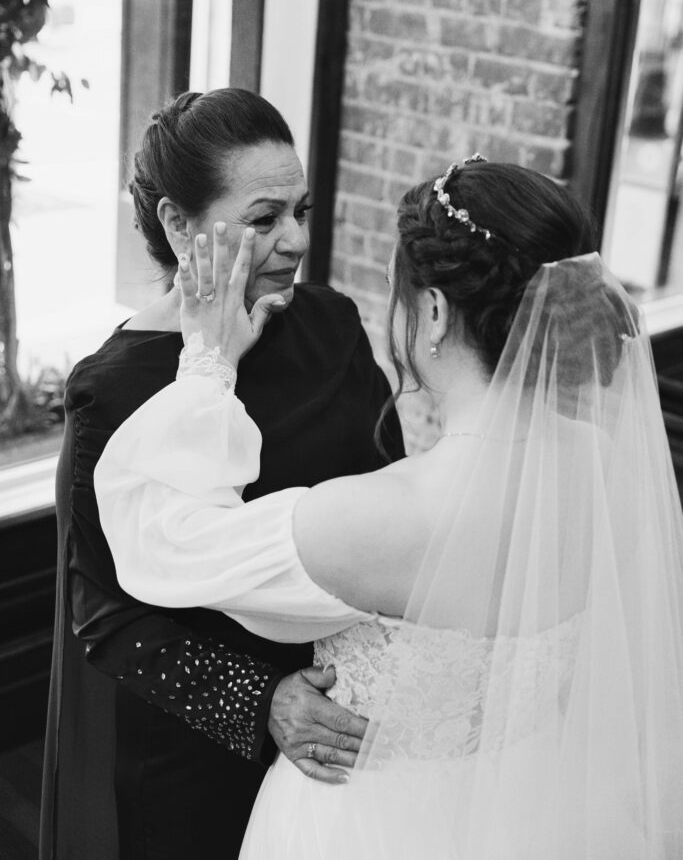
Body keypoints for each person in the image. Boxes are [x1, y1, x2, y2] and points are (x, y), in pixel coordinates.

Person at [96, 157, 683, 859]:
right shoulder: (604, 469)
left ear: (432, 313)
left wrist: (207, 364)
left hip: (364, 824)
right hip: (536, 809)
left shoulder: (375, 519)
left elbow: (159, 540)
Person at [39, 87, 404, 860]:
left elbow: (390, 495)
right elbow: (106, 615)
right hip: (195, 746)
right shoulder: (114, 387)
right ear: (178, 225)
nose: (296, 239)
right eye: (265, 218)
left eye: (301, 211)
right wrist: (262, 701)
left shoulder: (330, 322)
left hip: (343, 716)